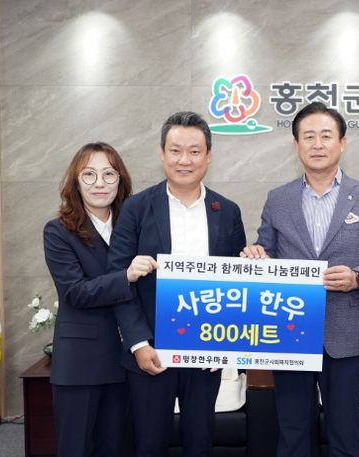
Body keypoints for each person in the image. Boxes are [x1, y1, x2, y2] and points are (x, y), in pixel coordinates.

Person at [241, 101, 359, 457]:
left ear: (342, 143)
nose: (317, 144)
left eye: (326, 136)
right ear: (296, 145)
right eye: (308, 136)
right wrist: (257, 256)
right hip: (289, 332)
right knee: (292, 432)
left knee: (344, 433)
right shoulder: (278, 199)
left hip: (344, 333)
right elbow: (267, 252)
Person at [107, 111, 246, 457]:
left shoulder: (228, 211)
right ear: (162, 154)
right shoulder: (135, 209)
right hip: (151, 353)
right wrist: (138, 344)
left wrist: (225, 346)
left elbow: (237, 285)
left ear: (208, 156)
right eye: (176, 150)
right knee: (149, 444)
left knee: (200, 442)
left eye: (195, 151)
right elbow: (119, 280)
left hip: (206, 351)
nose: (185, 160)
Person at [43, 142, 156, 457]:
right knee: (76, 449)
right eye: (89, 174)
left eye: (109, 174)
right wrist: (126, 276)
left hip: (127, 362)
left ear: (121, 180)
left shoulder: (134, 226)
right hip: (80, 364)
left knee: (118, 448)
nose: (99, 183)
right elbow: (75, 292)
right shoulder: (58, 231)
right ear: (75, 181)